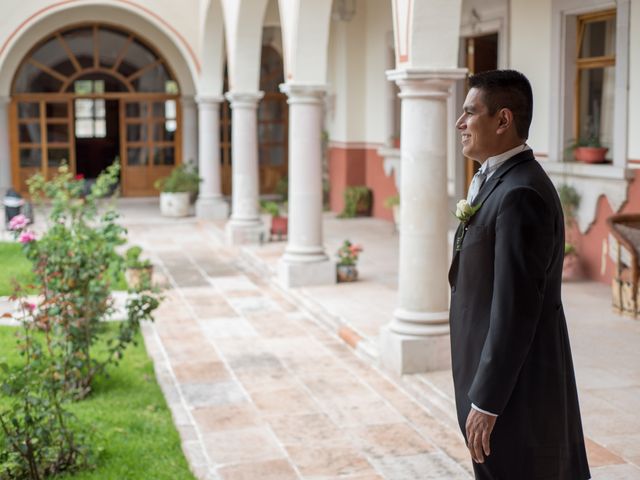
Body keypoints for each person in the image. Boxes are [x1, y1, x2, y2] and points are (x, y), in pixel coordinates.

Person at [448, 69, 590, 480]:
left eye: (469, 113)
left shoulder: (520, 194)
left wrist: (487, 402)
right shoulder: (497, 180)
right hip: (496, 381)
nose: (460, 123)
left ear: (503, 119)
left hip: (516, 394)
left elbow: (516, 309)